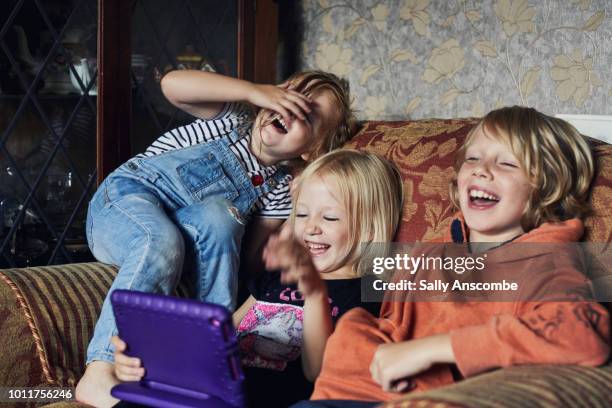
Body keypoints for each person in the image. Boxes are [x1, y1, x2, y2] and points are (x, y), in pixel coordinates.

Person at [292, 106, 611, 407]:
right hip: (341, 394)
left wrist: (437, 349)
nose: (482, 170)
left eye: (506, 164)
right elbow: (392, 324)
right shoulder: (427, 253)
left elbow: (582, 335)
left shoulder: (545, 263)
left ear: (546, 187)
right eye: (472, 158)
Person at [76, 69, 355, 407]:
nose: (289, 108)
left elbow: (246, 263)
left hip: (182, 236)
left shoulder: (280, 189)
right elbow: (171, 85)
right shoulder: (230, 119)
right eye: (288, 94)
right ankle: (100, 369)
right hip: (121, 204)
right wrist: (254, 90)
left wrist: (301, 194)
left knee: (223, 220)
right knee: (162, 239)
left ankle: (205, 363)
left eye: (306, 116)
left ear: (312, 149)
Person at [111, 150, 404, 407]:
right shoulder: (278, 276)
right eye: (301, 215)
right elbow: (224, 336)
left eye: (329, 218)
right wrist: (157, 356)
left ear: (368, 228)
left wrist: (315, 293)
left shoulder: (368, 293)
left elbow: (319, 374)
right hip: (214, 390)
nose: (311, 228)